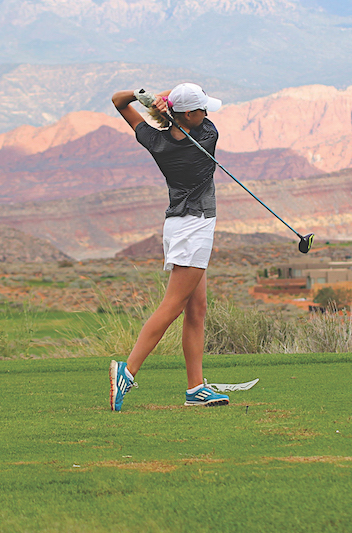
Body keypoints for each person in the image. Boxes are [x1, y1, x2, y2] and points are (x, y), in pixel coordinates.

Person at [108, 83, 230, 411]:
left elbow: (119, 102)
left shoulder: (155, 140)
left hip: (176, 225)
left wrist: (146, 98)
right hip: (195, 228)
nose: (207, 114)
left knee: (196, 309)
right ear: (189, 114)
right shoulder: (207, 137)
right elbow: (200, 124)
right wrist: (167, 106)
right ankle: (127, 370)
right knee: (173, 305)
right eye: (202, 109)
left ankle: (195, 389)